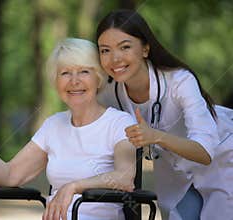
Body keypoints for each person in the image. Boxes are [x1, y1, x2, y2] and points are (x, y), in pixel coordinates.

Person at [0, 38, 138, 220]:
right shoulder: (53, 125)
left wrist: (74, 186)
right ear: (56, 82)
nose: (74, 81)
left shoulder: (119, 122)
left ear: (98, 78)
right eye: (65, 73)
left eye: (84, 71)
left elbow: (124, 179)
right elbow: (8, 176)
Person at [95, 9, 233, 220]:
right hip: (174, 168)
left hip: (222, 156)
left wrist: (155, 136)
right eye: (105, 50)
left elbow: (206, 152)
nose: (115, 58)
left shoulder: (180, 81)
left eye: (125, 47)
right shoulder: (109, 94)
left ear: (145, 49)